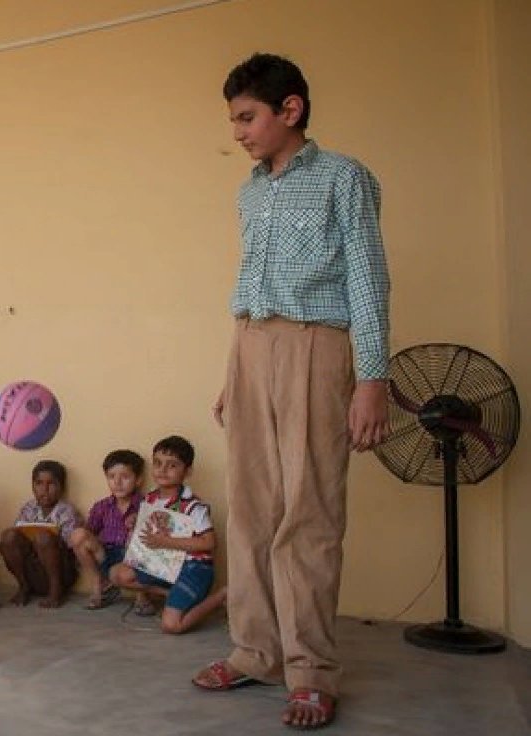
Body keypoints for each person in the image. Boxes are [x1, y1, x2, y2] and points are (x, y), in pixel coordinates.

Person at [194, 53, 391, 731]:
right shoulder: (250, 192)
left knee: (307, 513)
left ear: (291, 109)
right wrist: (233, 374)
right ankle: (254, 651)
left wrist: (372, 377)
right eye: (235, 120)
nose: (239, 132)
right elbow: (252, 285)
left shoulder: (345, 180)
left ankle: (309, 671)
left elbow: (368, 281)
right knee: (248, 509)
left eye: (247, 117)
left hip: (318, 345)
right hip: (250, 346)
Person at [109, 436, 226, 634]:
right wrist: (136, 520)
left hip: (193, 568)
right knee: (117, 574)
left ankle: (221, 596)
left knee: (171, 626)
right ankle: (171, 594)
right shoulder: (151, 498)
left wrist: (165, 541)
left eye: (172, 465)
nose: (162, 470)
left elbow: (208, 542)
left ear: (187, 471)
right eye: (158, 463)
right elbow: (151, 526)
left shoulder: (192, 506)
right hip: (165, 564)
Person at [0, 460, 81, 608]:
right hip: (33, 570)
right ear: (33, 486)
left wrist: (46, 539)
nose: (45, 489)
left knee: (43, 537)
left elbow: (70, 548)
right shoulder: (29, 508)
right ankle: (23, 586)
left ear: (61, 487)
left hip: (61, 572)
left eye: (51, 484)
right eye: (39, 483)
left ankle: (55, 591)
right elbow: (18, 534)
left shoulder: (67, 511)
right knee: (8, 536)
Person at [70, 449, 144, 610]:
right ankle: (99, 585)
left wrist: (138, 521)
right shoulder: (102, 506)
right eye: (111, 477)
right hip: (105, 555)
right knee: (78, 535)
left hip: (131, 558)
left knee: (135, 534)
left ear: (138, 480)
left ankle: (142, 596)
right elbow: (89, 532)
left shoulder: (146, 504)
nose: (117, 482)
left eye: (125, 477)